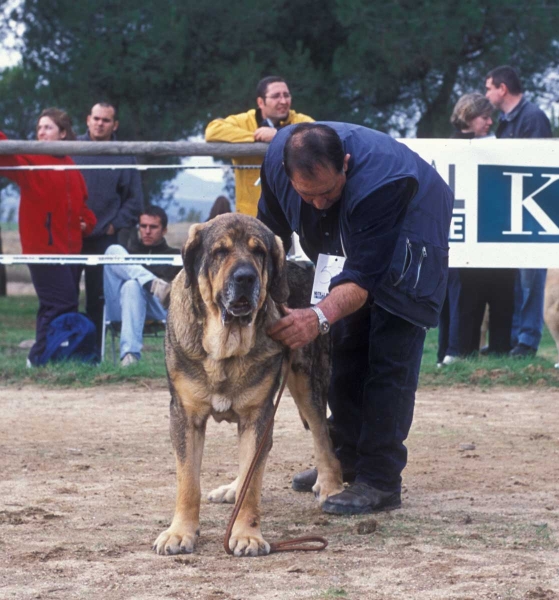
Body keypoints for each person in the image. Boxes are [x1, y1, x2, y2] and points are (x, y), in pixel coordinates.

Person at [258, 123, 453, 515]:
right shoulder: (277, 162)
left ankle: (380, 480)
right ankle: (343, 458)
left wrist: (314, 317)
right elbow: (269, 238)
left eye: (327, 192)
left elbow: (362, 277)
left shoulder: (384, 183)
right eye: (306, 195)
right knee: (344, 346)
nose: (317, 204)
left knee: (388, 358)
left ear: (345, 164)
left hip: (412, 234)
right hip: (350, 243)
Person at [0, 108, 97, 366]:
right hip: (41, 248)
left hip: (72, 251)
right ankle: (41, 356)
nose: (41, 132)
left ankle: (48, 358)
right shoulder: (29, 158)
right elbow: (5, 152)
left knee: (53, 305)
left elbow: (84, 208)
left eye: (48, 127)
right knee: (62, 302)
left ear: (63, 133)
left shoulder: (72, 167)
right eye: (39, 127)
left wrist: (86, 223)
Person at [438, 93, 516, 364]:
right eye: (485, 117)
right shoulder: (448, 147)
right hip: (460, 238)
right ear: (469, 117)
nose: (490, 122)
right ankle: (454, 353)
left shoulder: (497, 146)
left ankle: (499, 355)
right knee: (461, 297)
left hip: (493, 234)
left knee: (502, 292)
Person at [485, 65, 552, 358]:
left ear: (502, 89)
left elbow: (538, 163)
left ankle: (527, 340)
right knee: (514, 278)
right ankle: (512, 339)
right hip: (511, 210)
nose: (486, 93)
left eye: (489, 88)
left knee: (530, 277)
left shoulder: (533, 117)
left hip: (532, 213)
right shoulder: (505, 120)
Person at [72, 102, 144, 355]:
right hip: (70, 236)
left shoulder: (124, 154)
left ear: (115, 125)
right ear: (87, 119)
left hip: (104, 237)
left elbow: (135, 201)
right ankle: (65, 351)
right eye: (96, 118)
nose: (100, 123)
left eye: (106, 120)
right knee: (66, 296)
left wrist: (114, 224)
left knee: (98, 299)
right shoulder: (70, 149)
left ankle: (95, 354)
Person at [205, 76, 314, 216]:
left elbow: (317, 133)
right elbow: (213, 130)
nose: (283, 101)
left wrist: (277, 135)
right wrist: (257, 137)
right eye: (276, 96)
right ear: (260, 102)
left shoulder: (299, 119)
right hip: (252, 214)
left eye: (286, 95)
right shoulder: (244, 120)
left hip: (294, 210)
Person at [103, 205, 180, 367]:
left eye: (153, 227)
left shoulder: (174, 256)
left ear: (164, 230)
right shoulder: (127, 253)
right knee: (113, 250)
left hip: (159, 308)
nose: (147, 231)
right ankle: (153, 283)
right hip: (123, 307)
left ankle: (130, 356)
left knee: (132, 284)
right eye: (143, 226)